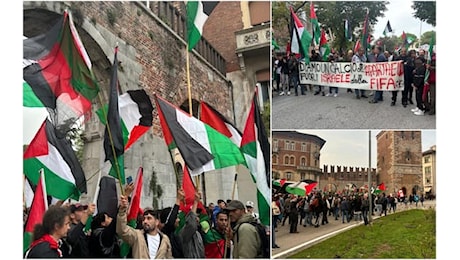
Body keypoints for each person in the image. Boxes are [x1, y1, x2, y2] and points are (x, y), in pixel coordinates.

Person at [179, 191, 206, 258]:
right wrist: (196, 202)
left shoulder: (198, 232)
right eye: (195, 215)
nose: (197, 217)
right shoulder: (185, 232)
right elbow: (191, 224)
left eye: (198, 215)